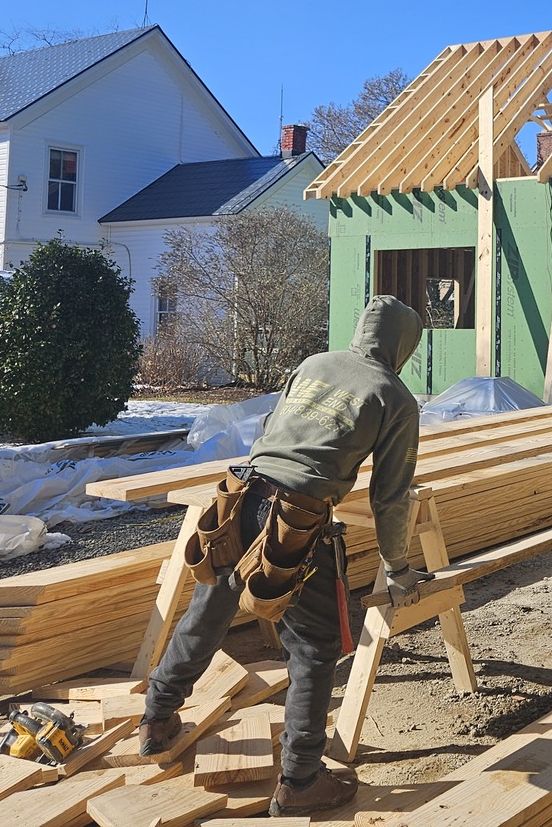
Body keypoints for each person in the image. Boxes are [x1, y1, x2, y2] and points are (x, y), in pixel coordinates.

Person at [138, 295, 428, 816]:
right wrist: (398, 567)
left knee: (206, 616)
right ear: (404, 343)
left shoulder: (314, 365)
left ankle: (157, 719)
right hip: (296, 519)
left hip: (241, 495)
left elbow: (271, 431)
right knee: (314, 649)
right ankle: (300, 781)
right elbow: (391, 496)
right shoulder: (395, 397)